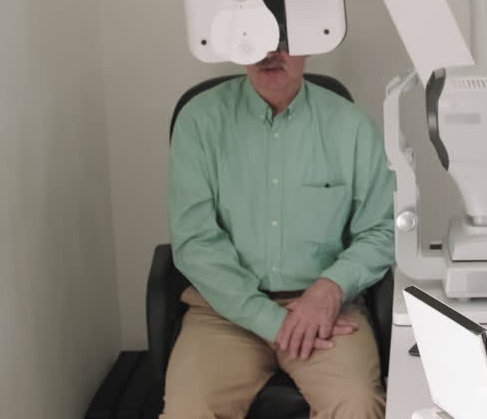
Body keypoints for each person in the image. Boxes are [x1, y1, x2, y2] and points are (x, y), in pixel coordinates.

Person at [163, 50, 394, 419]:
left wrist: (331, 288)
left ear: (309, 42)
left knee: (357, 405)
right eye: (256, 40)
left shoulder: (351, 126)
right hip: (224, 311)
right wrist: (274, 322)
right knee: (188, 411)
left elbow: (381, 230)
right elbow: (195, 241)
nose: (270, 53)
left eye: (283, 40)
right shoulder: (201, 121)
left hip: (325, 309)